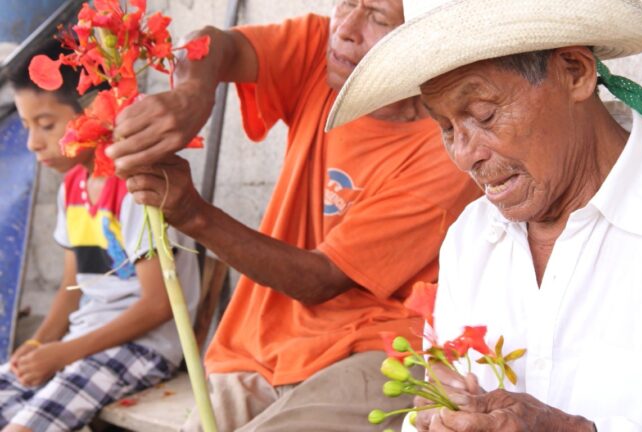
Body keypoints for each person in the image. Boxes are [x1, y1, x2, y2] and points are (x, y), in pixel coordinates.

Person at [327, 0, 642, 431]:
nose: (464, 155)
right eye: (446, 128)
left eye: (484, 115)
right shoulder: (471, 237)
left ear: (575, 72)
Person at [106, 0, 480, 430]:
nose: (346, 28)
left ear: (423, 40)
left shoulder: (446, 153)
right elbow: (214, 44)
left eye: (378, 17)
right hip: (260, 348)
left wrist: (192, 215)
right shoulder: (325, 53)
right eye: (346, 3)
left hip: (372, 348)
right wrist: (193, 92)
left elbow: (320, 279)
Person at [0, 41, 200, 432]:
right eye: (27, 126)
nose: (33, 143)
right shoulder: (72, 187)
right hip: (83, 342)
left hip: (144, 347)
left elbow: (158, 305)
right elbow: (72, 287)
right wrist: (40, 344)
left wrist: (63, 353)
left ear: (95, 112)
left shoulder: (137, 189)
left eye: (46, 125)